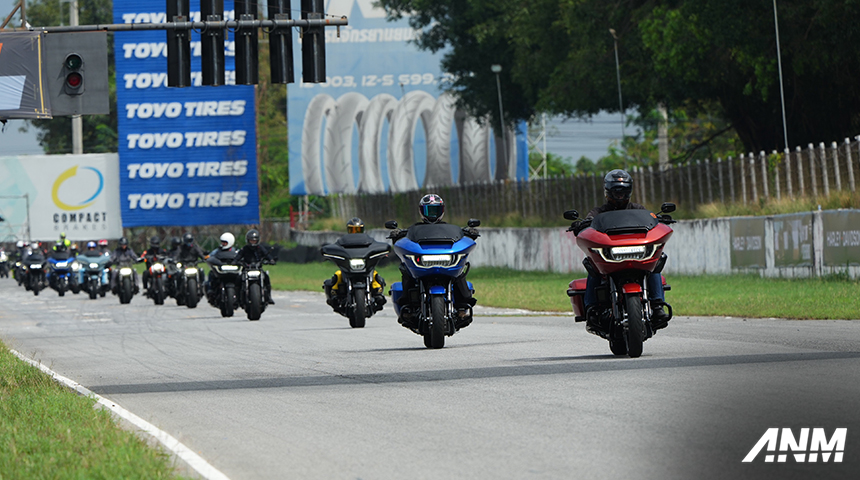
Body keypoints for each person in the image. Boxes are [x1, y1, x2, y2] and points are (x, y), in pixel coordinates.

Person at [572, 169, 670, 330]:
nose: (620, 195)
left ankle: (658, 305)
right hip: (611, 256)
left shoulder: (638, 209)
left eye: (623, 191)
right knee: (593, 266)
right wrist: (581, 224)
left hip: (637, 253)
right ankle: (592, 308)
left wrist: (660, 219)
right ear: (608, 191)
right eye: (616, 191)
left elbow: (651, 220)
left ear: (629, 191)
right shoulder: (599, 212)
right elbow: (589, 222)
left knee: (655, 262)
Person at [389, 194, 478, 321]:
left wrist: (470, 232)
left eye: (435, 210)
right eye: (428, 210)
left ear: (441, 211)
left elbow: (461, 235)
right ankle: (407, 305)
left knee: (459, 272)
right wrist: (397, 233)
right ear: (422, 211)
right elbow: (406, 237)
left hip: (446, 263)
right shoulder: (414, 230)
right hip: (422, 265)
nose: (432, 214)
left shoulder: (449, 230)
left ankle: (462, 305)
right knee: (405, 269)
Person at [323, 217, 387, 309]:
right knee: (338, 274)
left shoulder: (369, 241)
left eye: (358, 229)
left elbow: (377, 245)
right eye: (352, 229)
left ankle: (378, 293)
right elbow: (334, 247)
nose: (355, 232)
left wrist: (383, 250)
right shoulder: (343, 241)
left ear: (362, 230)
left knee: (374, 274)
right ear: (348, 230)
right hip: (349, 267)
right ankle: (335, 293)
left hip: (364, 266)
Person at [235, 229, 276, 304]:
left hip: (258, 268)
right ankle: (237, 298)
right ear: (248, 240)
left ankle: (269, 296)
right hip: (247, 268)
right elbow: (238, 256)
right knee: (238, 279)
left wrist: (271, 260)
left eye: (254, 241)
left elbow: (267, 254)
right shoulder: (244, 249)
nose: (253, 242)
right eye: (251, 241)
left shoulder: (260, 248)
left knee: (266, 277)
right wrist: (235, 261)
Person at [206, 232, 237, 299]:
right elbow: (210, 256)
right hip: (221, 270)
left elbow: (239, 257)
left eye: (225, 242)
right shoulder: (217, 250)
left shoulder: (235, 251)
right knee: (211, 274)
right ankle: (210, 289)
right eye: (222, 242)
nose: (223, 244)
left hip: (232, 272)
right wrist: (207, 257)